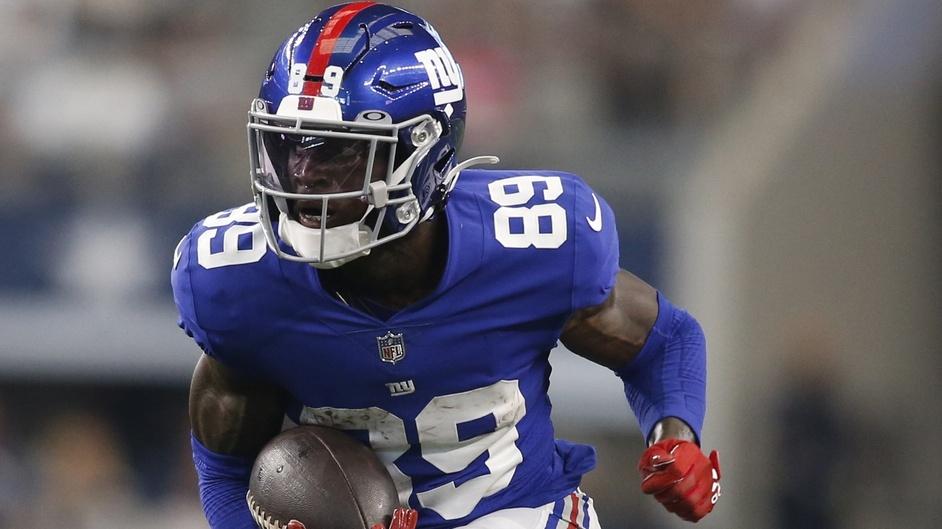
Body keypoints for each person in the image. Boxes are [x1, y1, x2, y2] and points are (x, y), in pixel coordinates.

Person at [172, 3, 721, 529]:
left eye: (338, 152)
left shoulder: (535, 246)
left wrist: (675, 434)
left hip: (522, 513)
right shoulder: (238, 281)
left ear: (424, 154)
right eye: (291, 147)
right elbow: (224, 465)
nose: (304, 176)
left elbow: (665, 337)